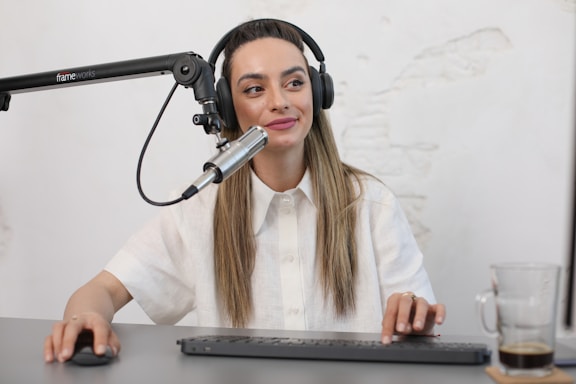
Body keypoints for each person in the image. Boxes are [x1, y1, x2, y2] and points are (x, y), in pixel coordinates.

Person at [44, 18, 446, 363]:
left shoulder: (371, 205)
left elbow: (417, 318)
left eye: (294, 82)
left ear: (317, 92)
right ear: (227, 106)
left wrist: (414, 316)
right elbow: (100, 291)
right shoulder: (199, 209)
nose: (279, 102)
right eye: (255, 89)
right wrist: (85, 320)